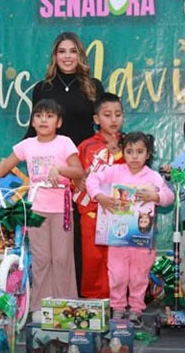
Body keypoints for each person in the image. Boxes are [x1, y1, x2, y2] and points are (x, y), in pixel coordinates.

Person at [0, 99, 85, 320]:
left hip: (61, 211)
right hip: (36, 210)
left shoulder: (64, 143)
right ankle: (40, 307)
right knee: (41, 259)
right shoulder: (27, 145)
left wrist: (59, 169)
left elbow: (78, 171)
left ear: (58, 122)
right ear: (33, 122)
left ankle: (66, 307)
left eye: (49, 116)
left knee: (61, 258)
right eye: (39, 116)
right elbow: (5, 166)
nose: (44, 120)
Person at [26, 32, 105, 291]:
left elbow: (103, 122)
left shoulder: (93, 86)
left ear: (80, 55)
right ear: (55, 56)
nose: (67, 56)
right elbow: (33, 130)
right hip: (52, 169)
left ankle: (80, 293)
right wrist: (12, 161)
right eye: (62, 51)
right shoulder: (43, 88)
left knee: (83, 230)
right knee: (54, 238)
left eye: (73, 51)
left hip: (84, 168)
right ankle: (49, 297)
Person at [86, 132, 173, 327]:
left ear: (148, 154)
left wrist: (156, 196)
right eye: (129, 151)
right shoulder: (114, 171)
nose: (134, 156)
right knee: (117, 274)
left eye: (140, 152)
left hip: (142, 239)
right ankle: (117, 307)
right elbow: (92, 180)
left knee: (139, 275)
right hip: (118, 237)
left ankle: (136, 309)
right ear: (123, 152)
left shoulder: (153, 177)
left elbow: (169, 197)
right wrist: (99, 196)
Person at [74, 92, 125, 298]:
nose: (113, 120)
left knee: (118, 259)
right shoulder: (86, 146)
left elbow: (134, 173)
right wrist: (78, 180)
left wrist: (118, 154)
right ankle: (94, 300)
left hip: (120, 212)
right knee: (93, 257)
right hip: (92, 212)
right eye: (107, 115)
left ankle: (118, 300)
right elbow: (77, 177)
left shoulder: (129, 144)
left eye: (118, 114)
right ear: (96, 119)